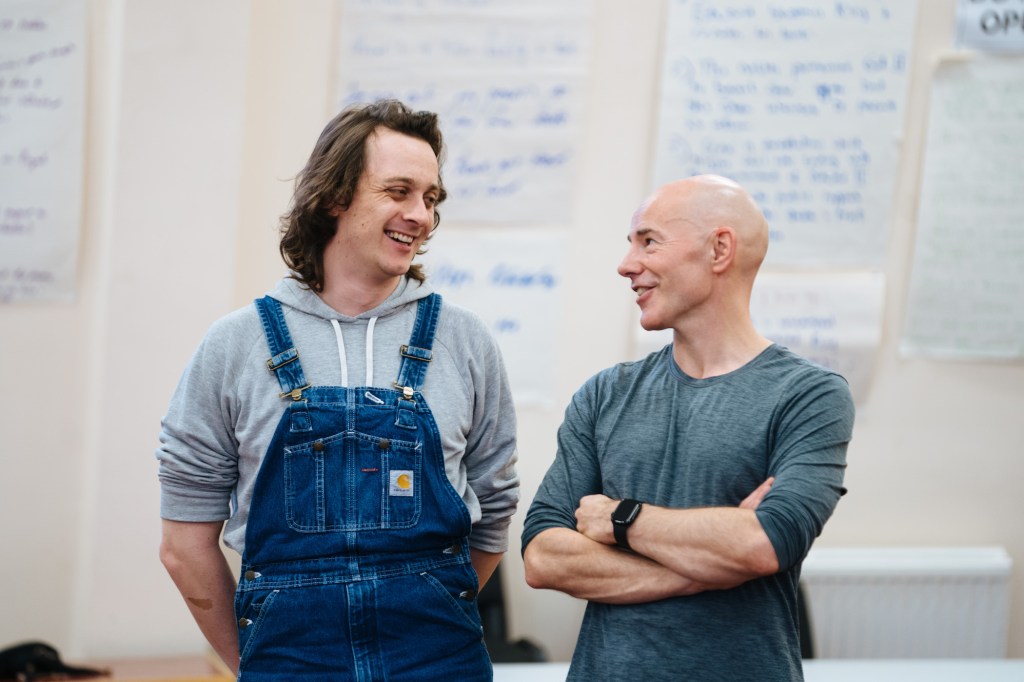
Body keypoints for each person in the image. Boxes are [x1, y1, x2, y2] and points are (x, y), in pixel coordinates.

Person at [157, 99, 519, 681]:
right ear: (333, 196)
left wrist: (430, 603)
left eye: (430, 198)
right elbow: (183, 544)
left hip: (440, 660)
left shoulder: (466, 341)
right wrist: (255, 664)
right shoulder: (234, 345)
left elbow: (495, 510)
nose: (421, 215)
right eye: (398, 191)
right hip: (290, 662)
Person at [521, 174, 854, 681]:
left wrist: (619, 518)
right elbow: (544, 556)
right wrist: (707, 568)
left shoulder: (810, 395)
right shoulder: (605, 394)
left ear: (719, 250)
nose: (626, 264)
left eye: (648, 241)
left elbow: (763, 543)